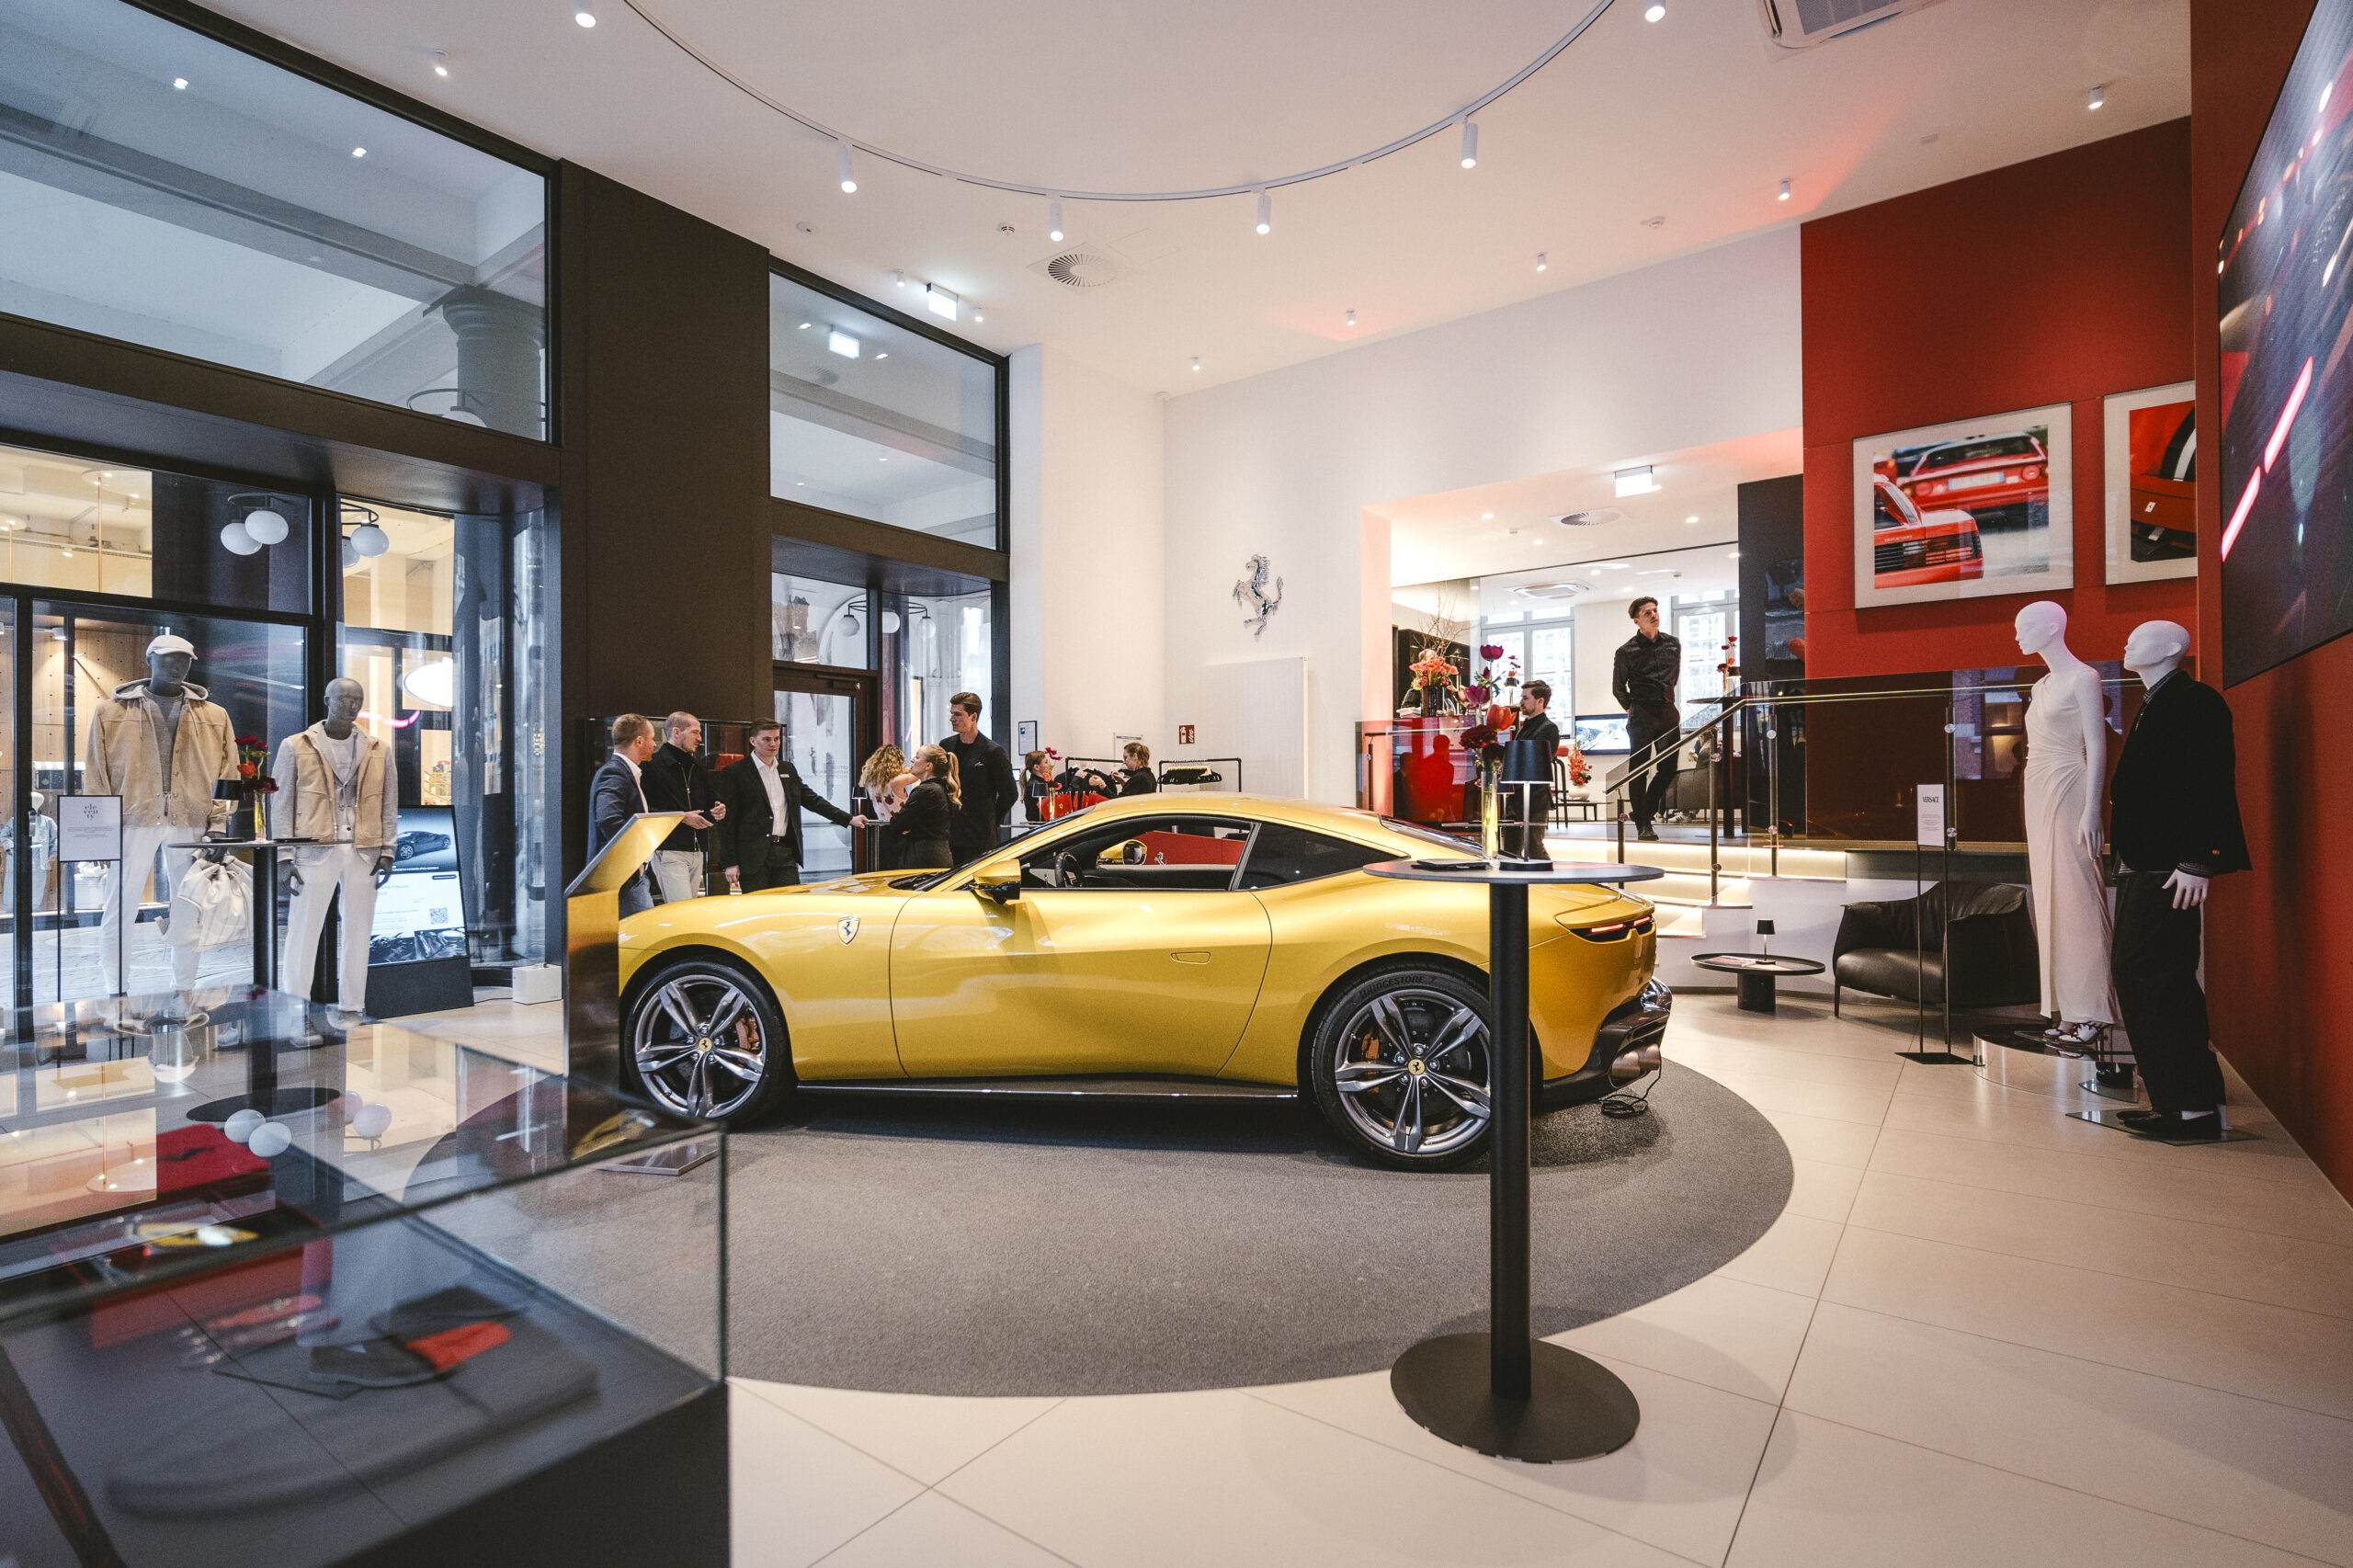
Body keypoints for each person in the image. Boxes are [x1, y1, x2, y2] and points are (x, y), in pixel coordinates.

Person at [2107, 619, 2251, 1142]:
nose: (2127, 643)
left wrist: (2198, 859)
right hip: (2149, 862)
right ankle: (2190, 1103)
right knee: (2163, 977)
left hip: (2169, 866)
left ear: (2171, 648)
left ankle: (2188, 1107)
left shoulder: (2194, 702)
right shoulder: (2155, 702)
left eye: (2139, 637)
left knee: (2147, 974)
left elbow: (2210, 779)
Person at [270, 676, 397, 1014]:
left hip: (363, 849)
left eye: (357, 699)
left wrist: (387, 850)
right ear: (327, 699)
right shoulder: (296, 745)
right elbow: (281, 803)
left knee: (359, 931)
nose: (351, 706)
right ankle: (295, 1009)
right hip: (315, 848)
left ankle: (353, 1006)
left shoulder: (378, 749)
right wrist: (284, 855)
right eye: (343, 699)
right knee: (303, 932)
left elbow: (388, 803)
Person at [714, 719, 851, 892]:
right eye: (767, 739)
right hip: (753, 855)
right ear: (753, 741)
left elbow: (812, 800)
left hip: (785, 851)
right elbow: (727, 822)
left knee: (790, 903)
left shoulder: (787, 769)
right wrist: (730, 862)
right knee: (759, 907)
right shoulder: (736, 772)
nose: (773, 744)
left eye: (777, 739)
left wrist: (848, 819)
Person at [1611, 596, 1682, 841]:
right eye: (1647, 612)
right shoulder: (1626, 651)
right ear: (1636, 620)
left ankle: (1644, 811)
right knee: (1639, 769)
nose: (1653, 615)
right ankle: (1644, 825)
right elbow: (1618, 688)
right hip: (1641, 713)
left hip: (1668, 711)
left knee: (1669, 768)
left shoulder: (1674, 644)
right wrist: (1632, 708)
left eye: (1655, 610)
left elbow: (1674, 677)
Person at [642, 711, 724, 903]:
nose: (700, 738)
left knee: (689, 909)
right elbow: (643, 810)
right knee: (681, 909)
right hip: (670, 848)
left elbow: (711, 799)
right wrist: (681, 816)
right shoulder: (651, 766)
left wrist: (718, 809)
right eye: (695, 732)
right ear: (677, 732)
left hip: (697, 850)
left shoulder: (697, 766)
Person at [590, 714, 660, 916]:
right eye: (652, 738)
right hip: (624, 875)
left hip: (629, 875)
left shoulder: (623, 771)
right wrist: (633, 858)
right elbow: (608, 819)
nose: (654, 744)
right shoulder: (615, 772)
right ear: (639, 741)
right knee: (641, 935)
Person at [939, 691, 1016, 866]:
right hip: (949, 831)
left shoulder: (993, 751)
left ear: (973, 717)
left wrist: (991, 820)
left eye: (957, 714)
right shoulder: (946, 745)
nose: (952, 718)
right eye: (951, 713)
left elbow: (1009, 793)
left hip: (979, 835)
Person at [868, 744, 957, 869]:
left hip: (924, 857)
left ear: (928, 766)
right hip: (936, 855)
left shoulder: (925, 791)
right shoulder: (941, 789)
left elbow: (898, 824)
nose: (912, 760)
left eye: (917, 757)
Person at [1500, 679, 1560, 859]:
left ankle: (1548, 885)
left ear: (1540, 701)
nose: (1521, 702)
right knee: (1510, 850)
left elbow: (1538, 764)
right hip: (1516, 799)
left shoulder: (1549, 729)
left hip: (1535, 799)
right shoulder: (1523, 728)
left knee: (1534, 848)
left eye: (1526, 698)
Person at [857, 744, 910, 869]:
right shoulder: (898, 781)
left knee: (886, 870)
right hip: (902, 831)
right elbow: (922, 773)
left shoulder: (871, 782)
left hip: (885, 831)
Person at [1022, 750, 1059, 822]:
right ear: (1037, 767)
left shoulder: (1042, 783)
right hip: (1041, 826)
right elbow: (1047, 808)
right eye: (1046, 762)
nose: (1049, 765)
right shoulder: (1036, 785)